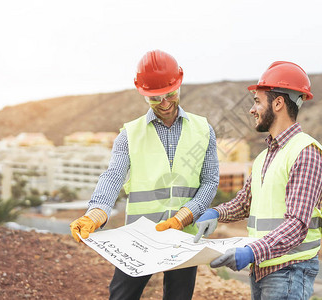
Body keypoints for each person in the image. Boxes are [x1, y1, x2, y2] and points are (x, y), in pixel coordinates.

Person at [69, 49, 219, 300]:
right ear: (144, 95)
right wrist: (96, 212)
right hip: (139, 238)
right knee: (122, 296)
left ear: (179, 84)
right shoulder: (129, 134)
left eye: (170, 94)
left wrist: (185, 215)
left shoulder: (203, 129)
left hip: (183, 236)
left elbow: (210, 181)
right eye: (155, 98)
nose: (165, 103)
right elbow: (113, 176)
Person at [194, 61, 322, 300]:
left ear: (278, 103)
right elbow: (243, 204)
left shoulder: (306, 153)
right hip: (262, 267)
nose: (252, 109)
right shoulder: (264, 157)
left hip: (289, 271)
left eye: (257, 101)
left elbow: (297, 225)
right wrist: (215, 213)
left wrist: (250, 252)